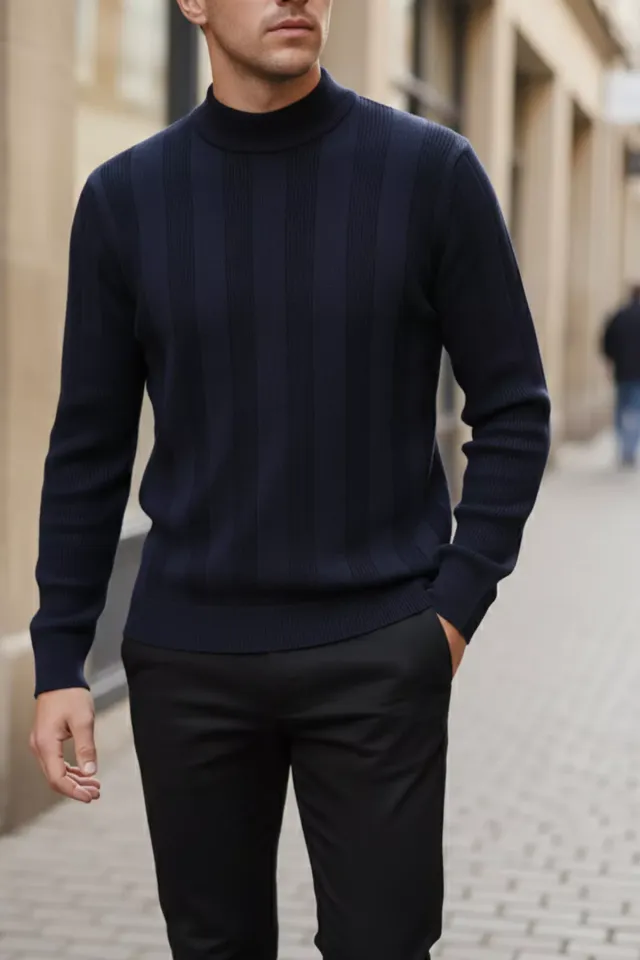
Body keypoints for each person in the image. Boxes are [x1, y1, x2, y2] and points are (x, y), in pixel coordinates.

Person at [29, 0, 550, 957]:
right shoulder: (125, 199)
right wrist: (60, 657)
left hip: (379, 650)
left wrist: (450, 613)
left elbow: (514, 406)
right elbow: (88, 448)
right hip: (189, 660)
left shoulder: (431, 174)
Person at [602, 285, 640, 468]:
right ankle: (629, 450)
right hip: (638, 374)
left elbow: (606, 340)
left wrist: (611, 360)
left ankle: (622, 445)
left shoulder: (620, 316)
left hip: (622, 371)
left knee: (621, 409)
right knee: (635, 410)